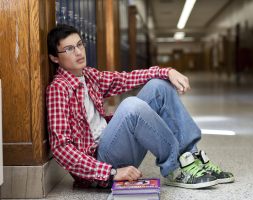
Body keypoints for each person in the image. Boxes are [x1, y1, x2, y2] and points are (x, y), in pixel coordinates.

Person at [46, 24, 234, 190]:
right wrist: (110, 173)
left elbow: (125, 79)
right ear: (55, 58)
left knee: (158, 86)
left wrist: (166, 71)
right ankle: (175, 169)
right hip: (100, 165)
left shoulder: (89, 76)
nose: (79, 52)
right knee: (130, 106)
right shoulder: (58, 89)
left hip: (114, 146)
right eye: (69, 49)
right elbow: (61, 148)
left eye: (79, 44)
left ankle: (191, 158)